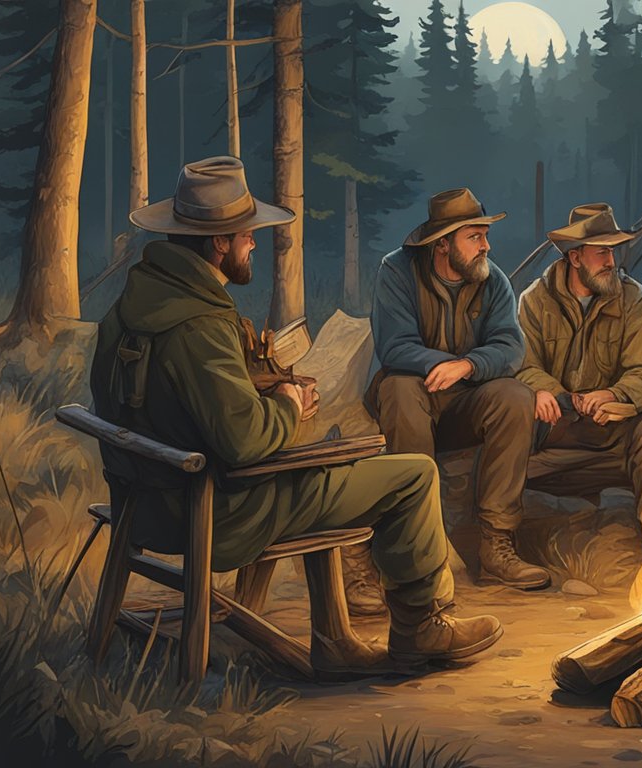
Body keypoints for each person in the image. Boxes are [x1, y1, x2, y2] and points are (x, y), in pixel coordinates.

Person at [91, 157, 501, 673]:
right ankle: (421, 629)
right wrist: (287, 403)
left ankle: (336, 639)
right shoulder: (199, 326)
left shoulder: (134, 306)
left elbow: (170, 405)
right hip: (215, 514)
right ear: (219, 242)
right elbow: (244, 442)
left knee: (322, 462)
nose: (254, 244)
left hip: (145, 504)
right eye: (247, 236)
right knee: (414, 474)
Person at [366, 188, 546, 590]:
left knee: (516, 396)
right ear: (443, 244)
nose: (486, 245)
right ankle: (417, 544)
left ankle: (497, 544)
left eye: (486, 235)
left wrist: (467, 364)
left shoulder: (492, 279)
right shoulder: (397, 271)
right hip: (414, 395)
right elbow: (394, 345)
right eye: (475, 236)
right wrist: (439, 364)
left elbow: (510, 347)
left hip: (466, 400)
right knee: (398, 388)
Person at [519, 203, 642, 515]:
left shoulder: (632, 297)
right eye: (602, 253)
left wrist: (613, 395)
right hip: (557, 432)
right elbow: (522, 366)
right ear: (575, 257)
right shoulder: (535, 300)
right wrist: (557, 395)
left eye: (613, 252)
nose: (611, 262)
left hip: (616, 433)